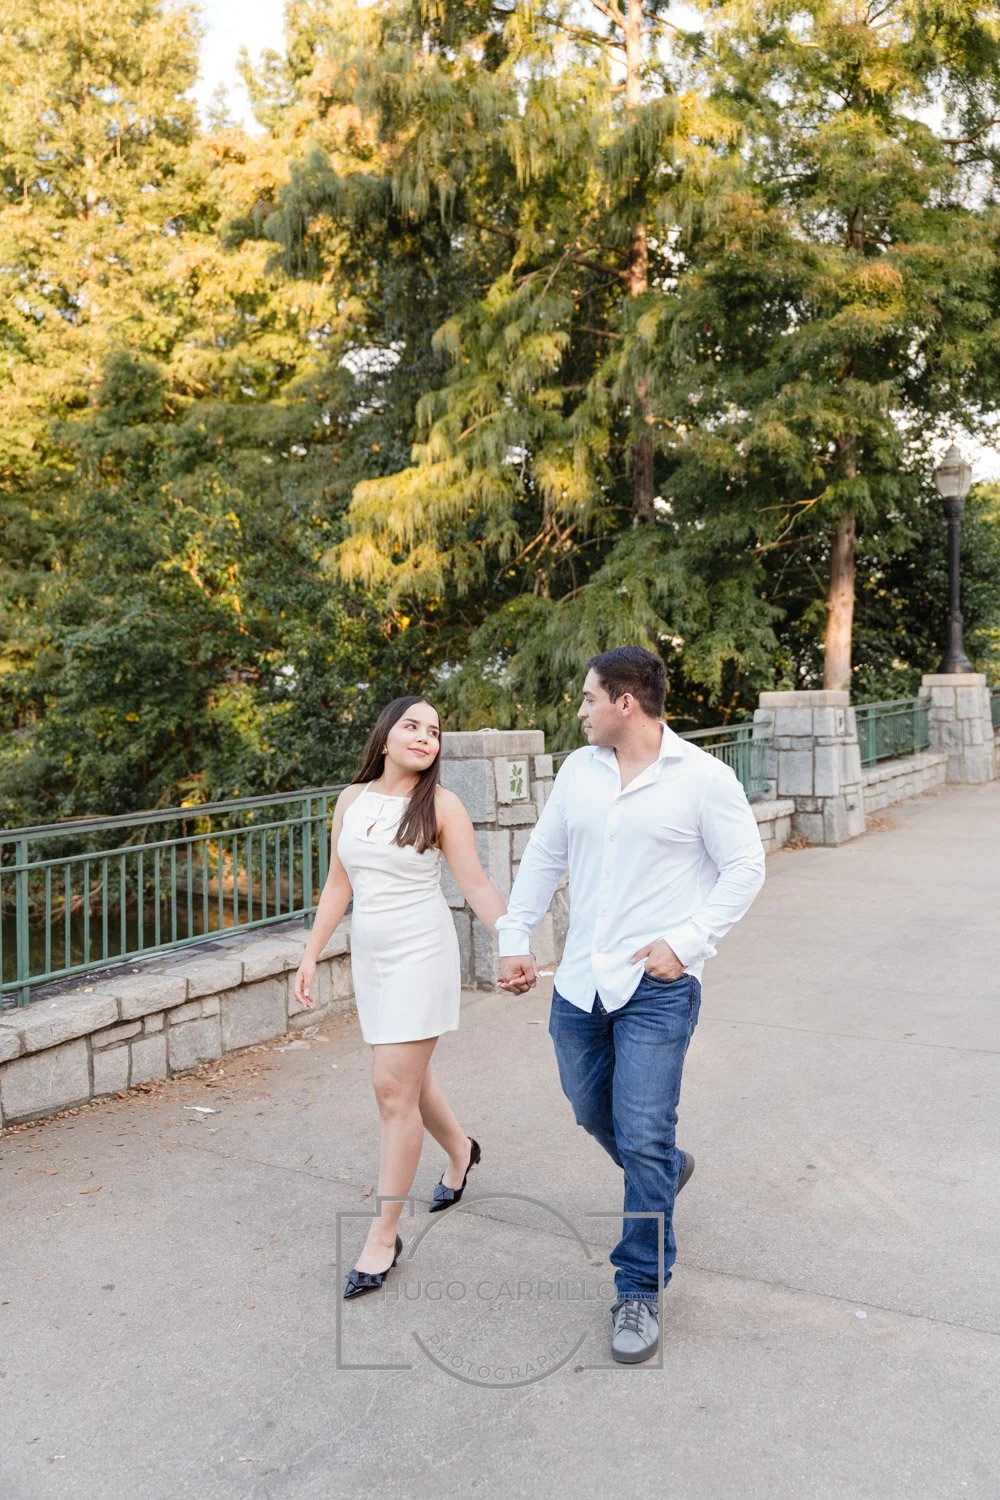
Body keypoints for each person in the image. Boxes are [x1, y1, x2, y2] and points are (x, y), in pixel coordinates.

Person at [497, 646, 766, 1364]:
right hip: (580, 980)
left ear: (625, 702)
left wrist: (688, 940)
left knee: (642, 1132)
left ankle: (639, 1286)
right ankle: (664, 1171)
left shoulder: (704, 779)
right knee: (593, 1112)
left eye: (588, 699)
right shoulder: (578, 774)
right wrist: (513, 936)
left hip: (659, 986)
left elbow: (746, 866)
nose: (579, 710)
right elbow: (545, 856)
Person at [294, 695, 508, 1300]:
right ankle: (462, 1151)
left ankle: (383, 1235)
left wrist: (513, 944)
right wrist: (310, 954)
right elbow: (340, 881)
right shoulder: (351, 799)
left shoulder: (441, 805)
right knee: (409, 1079)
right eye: (412, 725)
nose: (424, 736)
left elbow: (476, 884)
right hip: (373, 957)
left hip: (421, 953)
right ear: (385, 736)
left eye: (434, 730)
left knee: (391, 1091)